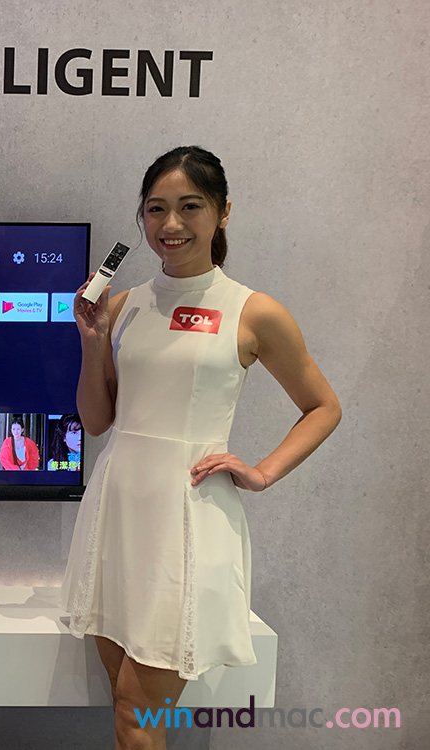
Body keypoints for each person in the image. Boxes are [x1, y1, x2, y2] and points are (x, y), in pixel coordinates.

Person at [60, 146, 340, 750]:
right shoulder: (123, 305)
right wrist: (92, 341)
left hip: (189, 519)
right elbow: (97, 421)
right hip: (116, 513)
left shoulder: (253, 311)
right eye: (155, 209)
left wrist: (261, 471)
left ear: (223, 212)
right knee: (128, 709)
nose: (171, 224)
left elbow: (323, 407)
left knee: (138, 713)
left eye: (190, 206)